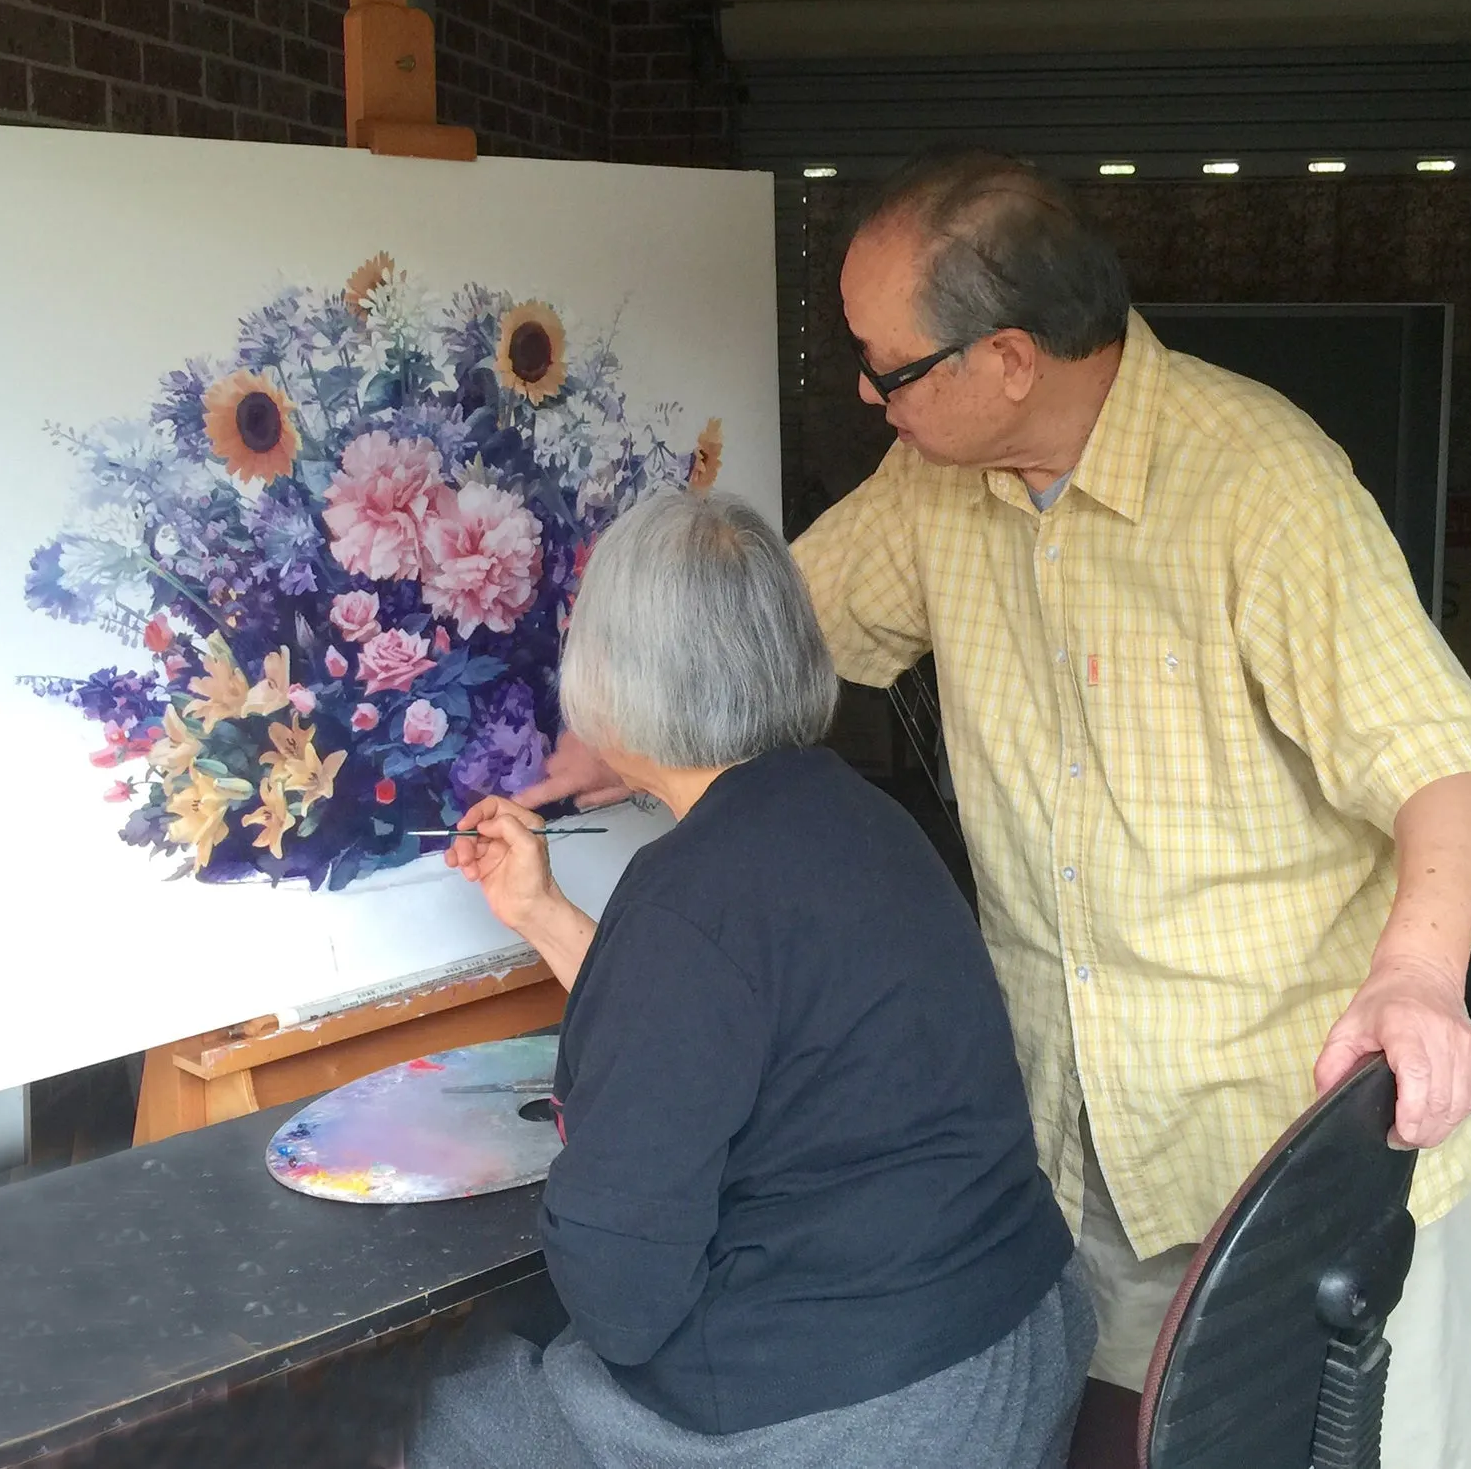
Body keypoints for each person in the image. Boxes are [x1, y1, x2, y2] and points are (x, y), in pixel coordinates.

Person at [526, 149, 1471, 1468]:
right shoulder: (937, 487)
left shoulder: (1262, 484)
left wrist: (1419, 975)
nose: (870, 398)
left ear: (1004, 358)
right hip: (1065, 1129)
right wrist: (617, 729)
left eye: (886, 367)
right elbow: (765, 632)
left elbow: (1437, 750)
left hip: (1276, 1126)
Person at [411, 491, 1094, 1469]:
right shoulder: (868, 818)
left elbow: (621, 1302)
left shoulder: (687, 898)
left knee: (443, 1411)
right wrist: (540, 913)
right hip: (1017, 1344)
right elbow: (726, 1016)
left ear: (613, 677)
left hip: (867, 1417)